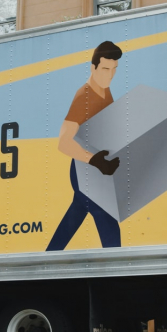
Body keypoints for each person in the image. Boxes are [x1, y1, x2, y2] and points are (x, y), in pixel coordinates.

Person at [46, 41, 123, 251]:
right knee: (106, 217)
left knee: (76, 213)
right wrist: (94, 160)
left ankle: (49, 256)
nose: (110, 75)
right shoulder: (85, 97)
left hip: (97, 169)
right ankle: (118, 270)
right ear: (93, 67)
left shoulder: (105, 92)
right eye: (105, 69)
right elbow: (63, 141)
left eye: (114, 69)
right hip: (85, 171)